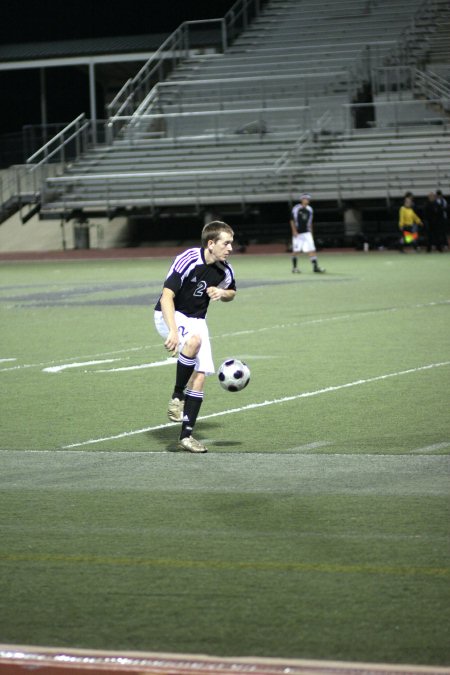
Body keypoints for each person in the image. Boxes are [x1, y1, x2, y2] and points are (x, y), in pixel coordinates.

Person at [154, 221, 236, 454]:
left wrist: (222, 293)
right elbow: (166, 297)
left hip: (197, 319)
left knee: (200, 376)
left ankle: (186, 437)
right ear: (211, 244)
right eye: (226, 243)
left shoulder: (224, 269)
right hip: (169, 313)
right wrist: (171, 330)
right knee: (194, 342)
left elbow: (232, 292)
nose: (230, 248)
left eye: (231, 243)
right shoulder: (188, 259)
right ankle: (177, 396)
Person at [289, 194, 325, 273]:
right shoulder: (296, 208)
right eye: (306, 199)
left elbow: (310, 221)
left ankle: (315, 267)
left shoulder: (310, 209)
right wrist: (294, 231)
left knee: (312, 250)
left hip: (307, 233)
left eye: (308, 199)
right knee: (296, 251)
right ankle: (294, 268)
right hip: (298, 233)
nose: (307, 200)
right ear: (302, 200)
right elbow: (292, 220)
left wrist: (311, 232)